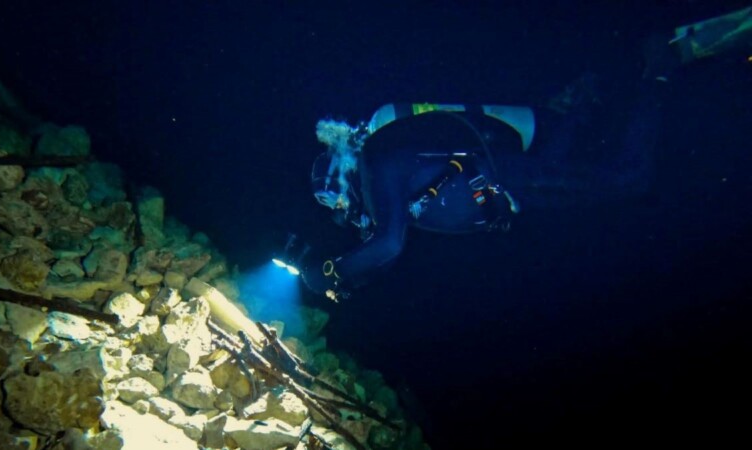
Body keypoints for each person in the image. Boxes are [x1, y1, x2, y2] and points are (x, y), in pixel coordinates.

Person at [294, 7, 752, 301]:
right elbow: (385, 253)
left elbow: (389, 243)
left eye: (327, 196)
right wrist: (343, 279)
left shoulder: (376, 163)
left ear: (340, 173)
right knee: (602, 169)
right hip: (512, 195)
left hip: (505, 180)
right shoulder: (379, 197)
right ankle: (578, 104)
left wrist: (331, 270)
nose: (335, 208)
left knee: (630, 179)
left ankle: (659, 68)